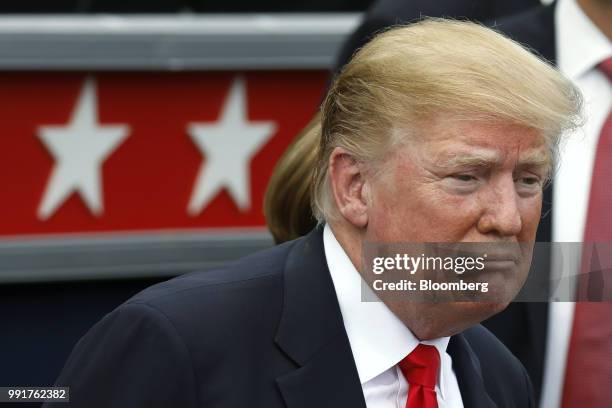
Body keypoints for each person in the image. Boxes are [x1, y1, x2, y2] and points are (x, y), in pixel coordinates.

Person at [47, 19, 581, 407]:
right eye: (466, 177)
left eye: (528, 180)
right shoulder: (178, 345)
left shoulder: (498, 376)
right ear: (354, 186)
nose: (509, 220)